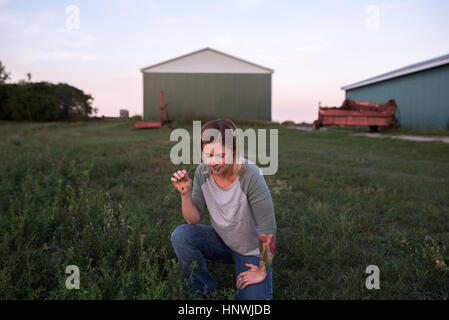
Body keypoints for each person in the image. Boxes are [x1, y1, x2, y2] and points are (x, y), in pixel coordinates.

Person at [170, 118, 277, 300]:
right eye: (209, 155)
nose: (214, 162)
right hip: (222, 242)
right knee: (181, 235)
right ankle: (202, 292)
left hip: (251, 250)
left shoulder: (251, 174)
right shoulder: (202, 173)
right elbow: (192, 220)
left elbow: (268, 225)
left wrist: (262, 268)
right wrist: (185, 195)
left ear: (234, 151)